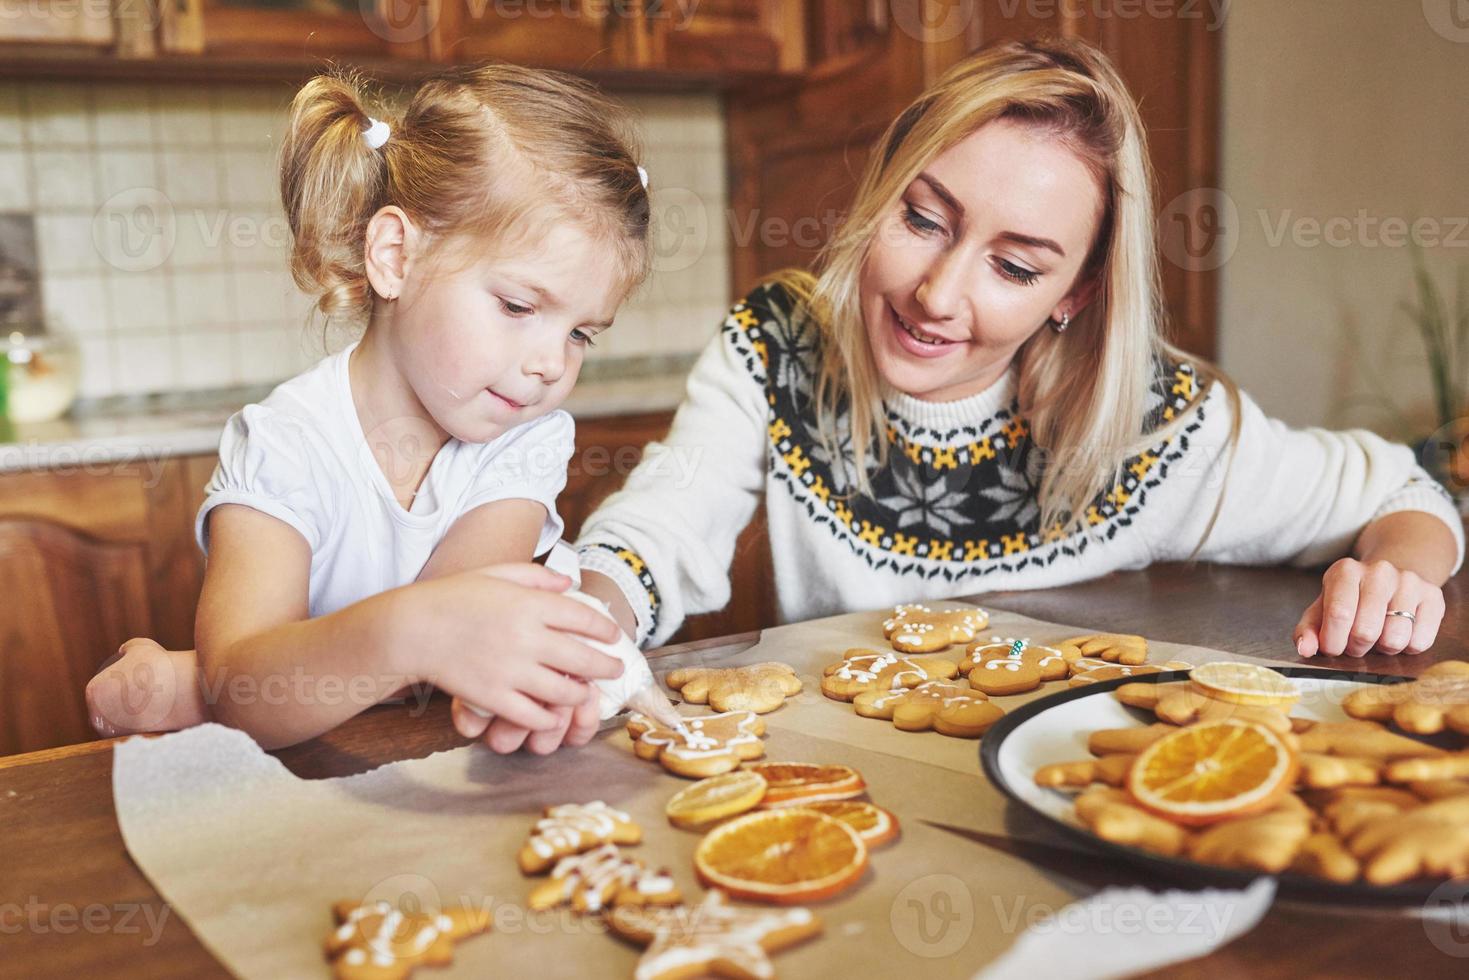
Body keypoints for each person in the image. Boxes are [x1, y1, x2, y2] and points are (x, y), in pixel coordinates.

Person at [573, 37, 1463, 680]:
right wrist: (580, 624)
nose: (936, 293)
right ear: (880, 193)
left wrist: (1396, 577)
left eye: (1013, 266)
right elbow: (660, 533)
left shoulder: (1153, 425)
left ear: (1073, 293)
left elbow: (1404, 494)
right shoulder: (776, 343)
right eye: (921, 219)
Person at [86, 64, 659, 752]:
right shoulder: (286, 444)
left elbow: (440, 653)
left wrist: (197, 687)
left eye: (580, 334)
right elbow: (255, 696)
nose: (550, 364)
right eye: (517, 306)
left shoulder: (526, 437)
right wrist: (236, 686)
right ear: (395, 255)